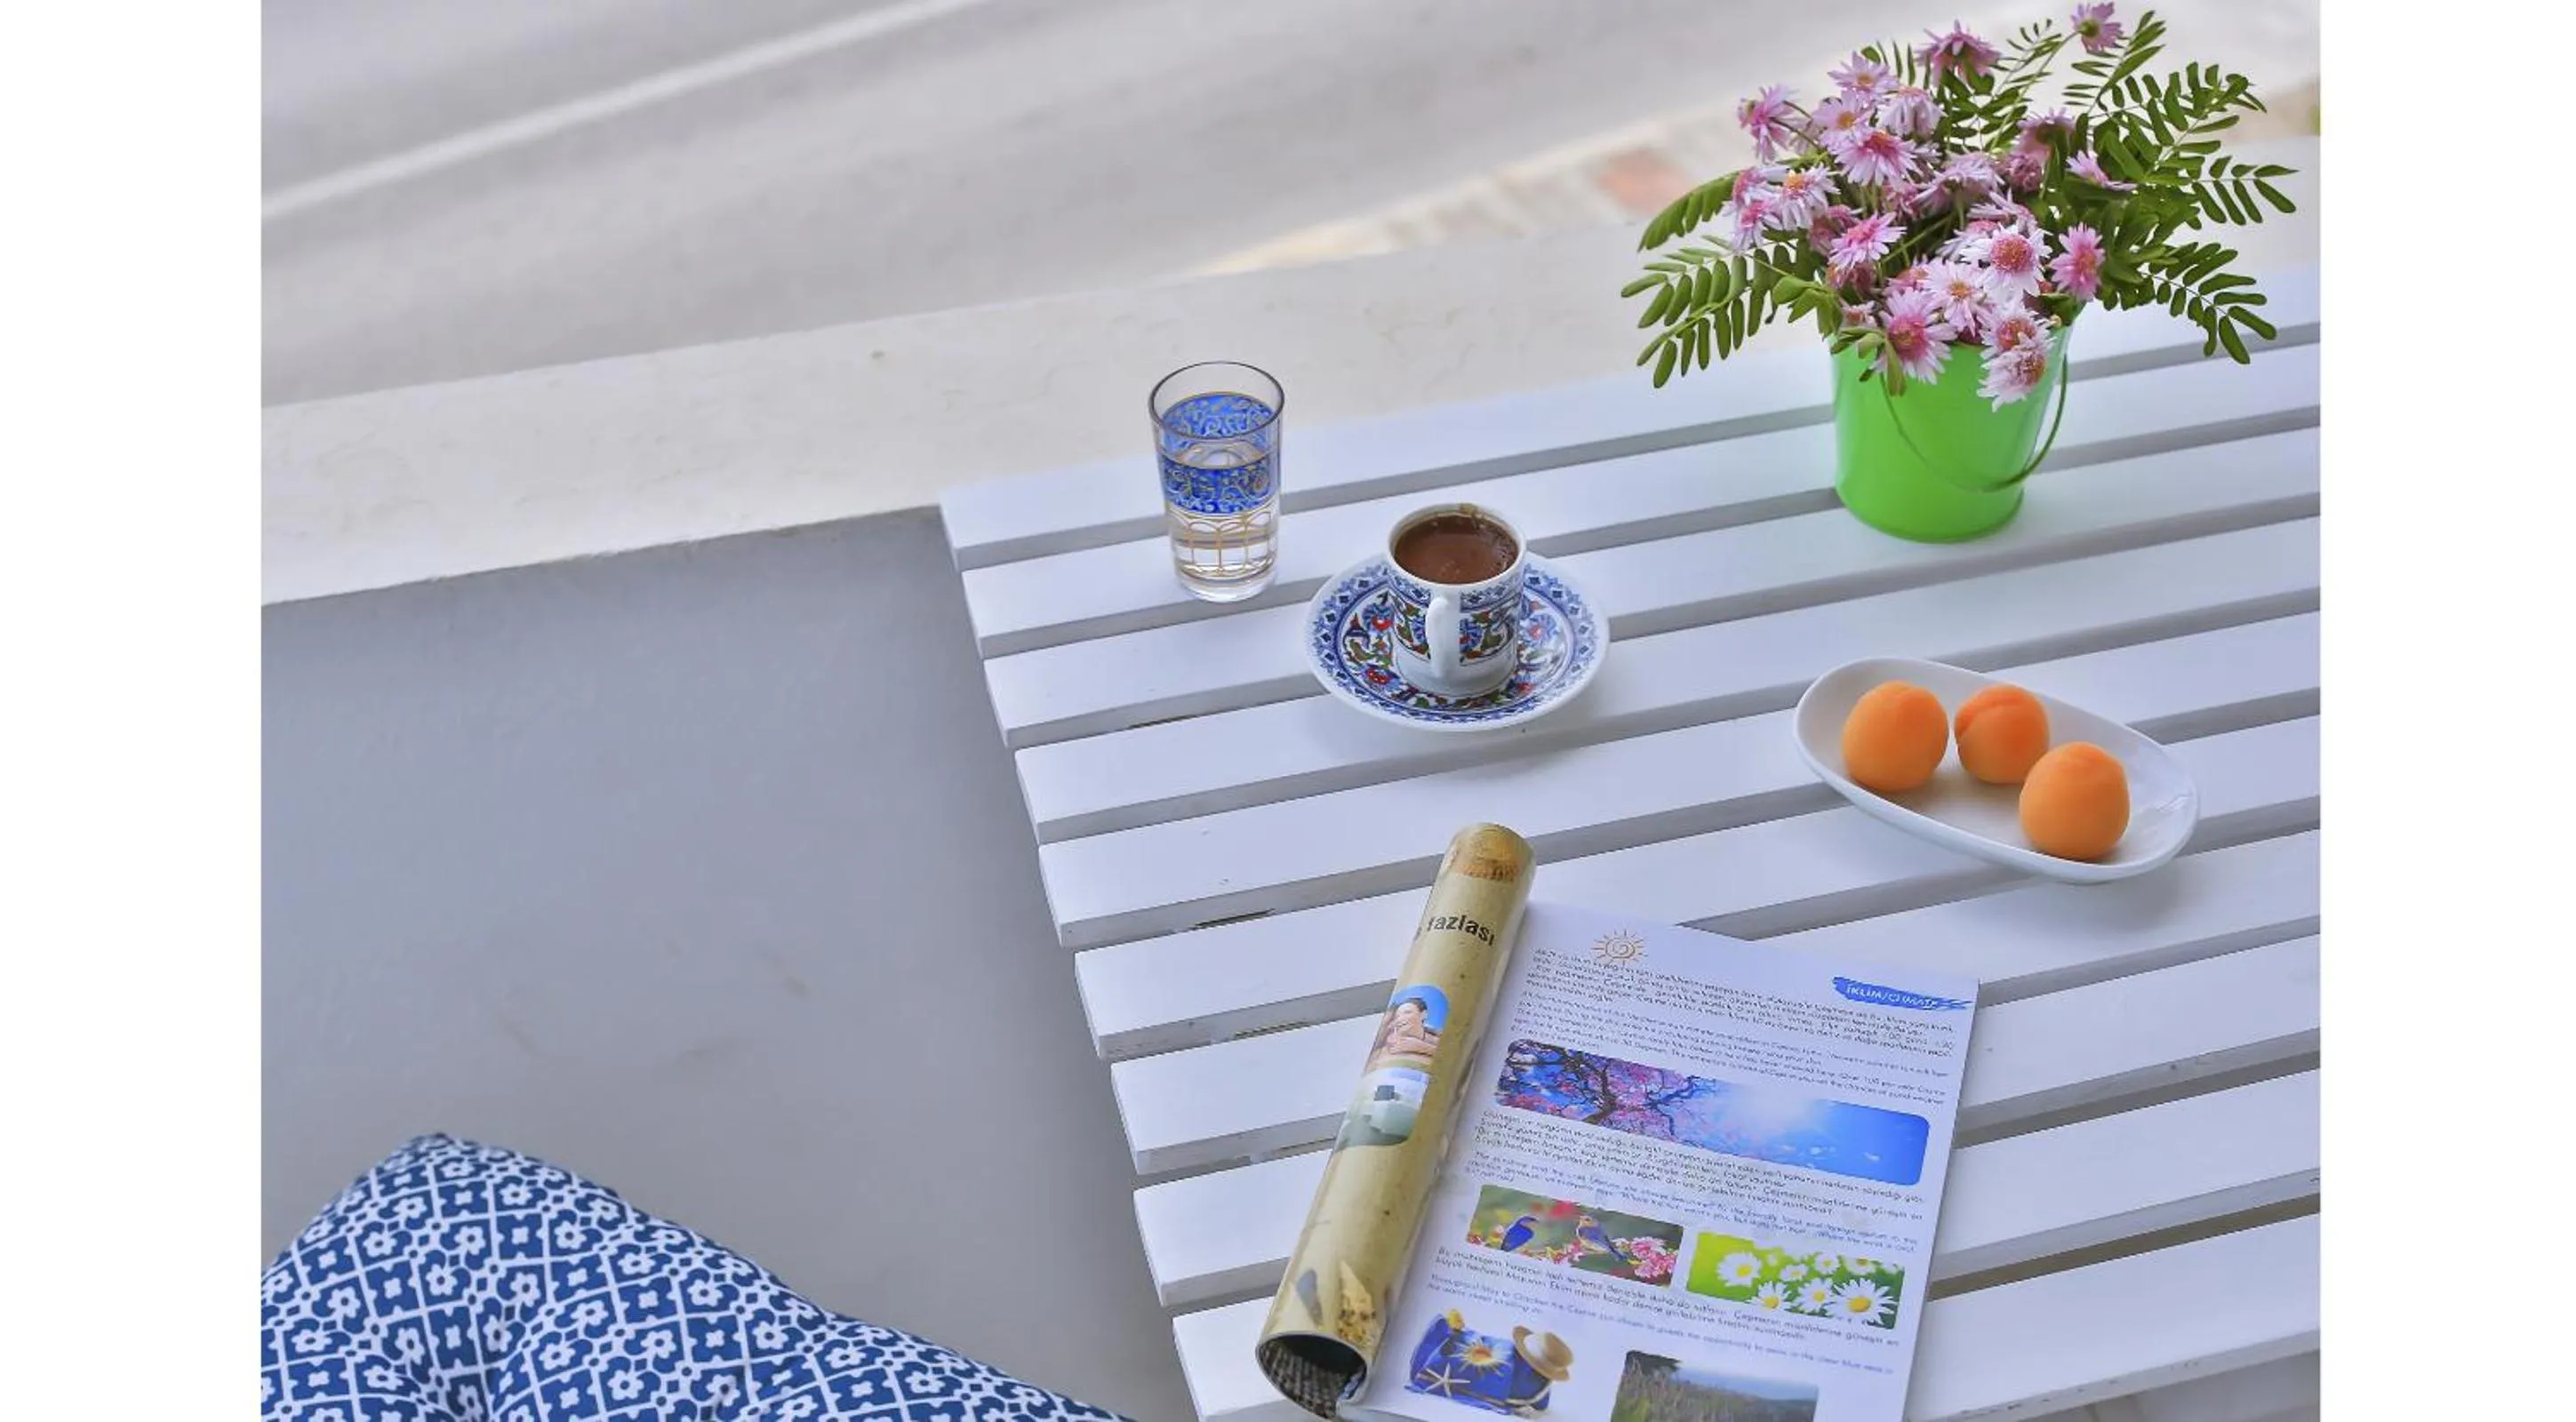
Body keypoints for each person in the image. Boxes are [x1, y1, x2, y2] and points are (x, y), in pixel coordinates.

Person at [1371, 995, 1442, 1066]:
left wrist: (1423, 1047)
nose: (1401, 1019)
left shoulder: (1437, 1039)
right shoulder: (1384, 1050)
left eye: (1407, 1012)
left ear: (1423, 1014)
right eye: (1397, 1016)